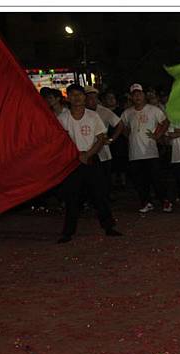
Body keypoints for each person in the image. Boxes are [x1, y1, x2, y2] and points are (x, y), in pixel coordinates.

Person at [56, 84, 122, 243]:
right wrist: (76, 155)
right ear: (68, 98)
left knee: (100, 195)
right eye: (73, 95)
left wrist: (88, 154)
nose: (77, 98)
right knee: (72, 198)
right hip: (73, 162)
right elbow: (60, 141)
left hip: (92, 160)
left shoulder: (93, 116)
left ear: (84, 97)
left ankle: (108, 226)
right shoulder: (63, 118)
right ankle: (68, 232)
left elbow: (101, 138)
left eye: (79, 94)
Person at [120, 83, 172, 213]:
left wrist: (158, 134)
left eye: (139, 93)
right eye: (134, 95)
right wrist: (131, 136)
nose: (137, 96)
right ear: (131, 97)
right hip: (135, 152)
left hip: (151, 151)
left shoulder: (153, 109)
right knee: (140, 180)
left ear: (143, 95)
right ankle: (146, 202)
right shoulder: (128, 112)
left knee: (156, 178)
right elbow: (123, 127)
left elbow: (165, 121)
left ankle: (165, 201)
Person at [84, 86, 126, 199]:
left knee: (104, 177)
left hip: (103, 152)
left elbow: (120, 124)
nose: (92, 101)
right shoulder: (80, 112)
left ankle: (105, 197)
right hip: (86, 151)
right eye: (89, 98)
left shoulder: (103, 111)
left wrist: (112, 139)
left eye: (94, 98)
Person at [101, 90, 129, 190]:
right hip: (106, 140)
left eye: (112, 98)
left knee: (121, 160)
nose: (111, 100)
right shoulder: (102, 112)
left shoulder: (121, 111)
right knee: (111, 163)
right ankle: (112, 183)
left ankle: (123, 182)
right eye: (108, 98)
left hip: (120, 139)